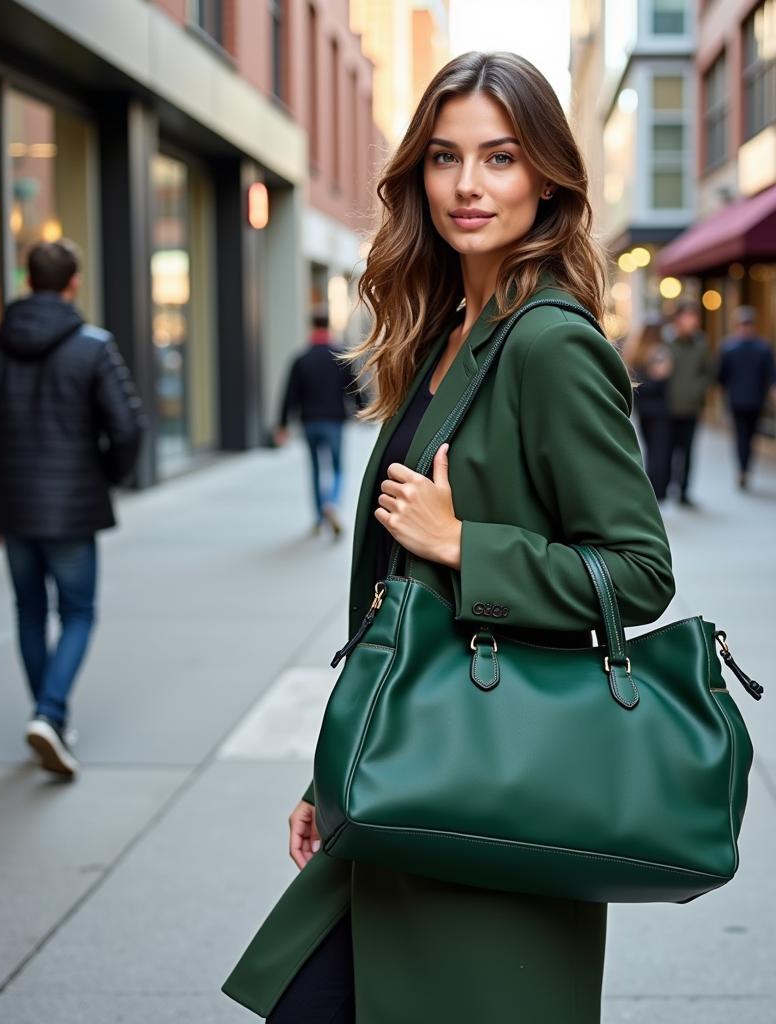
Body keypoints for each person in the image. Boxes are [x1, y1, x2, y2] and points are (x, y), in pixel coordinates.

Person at [226, 51, 675, 1024]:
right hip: (408, 770)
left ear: (546, 176)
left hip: (489, 783)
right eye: (444, 157)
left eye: (500, 157)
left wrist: (467, 544)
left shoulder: (550, 343)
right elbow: (393, 591)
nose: (468, 185)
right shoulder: (447, 337)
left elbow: (639, 573)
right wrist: (331, 766)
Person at [0, 240, 144, 778]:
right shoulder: (93, 346)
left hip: (13, 504)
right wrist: (108, 478)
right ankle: (50, 713)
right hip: (71, 506)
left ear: (28, 279)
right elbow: (128, 426)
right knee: (76, 612)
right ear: (73, 283)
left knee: (29, 610)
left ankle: (47, 714)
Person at [275, 307, 358, 537]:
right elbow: (354, 388)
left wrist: (282, 425)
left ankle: (319, 516)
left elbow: (289, 394)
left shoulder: (301, 359)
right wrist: (363, 409)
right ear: (328, 325)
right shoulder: (340, 356)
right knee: (337, 466)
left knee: (315, 469)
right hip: (334, 421)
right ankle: (332, 502)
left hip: (309, 422)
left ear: (311, 326)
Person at [717, 304, 776, 490]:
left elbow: (773, 370)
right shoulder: (729, 348)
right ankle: (743, 469)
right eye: (743, 324)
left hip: (755, 400)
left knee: (750, 436)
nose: (746, 327)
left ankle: (745, 468)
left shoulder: (762, 348)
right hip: (737, 400)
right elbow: (721, 375)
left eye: (748, 324)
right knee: (741, 436)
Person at [660, 299, 713, 507]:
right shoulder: (666, 342)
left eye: (695, 317)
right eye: (688, 317)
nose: (692, 322)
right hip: (668, 408)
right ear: (678, 319)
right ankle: (664, 489)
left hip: (692, 407)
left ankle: (683, 491)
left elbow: (708, 373)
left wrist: (698, 391)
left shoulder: (701, 344)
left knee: (688, 452)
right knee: (667, 451)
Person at [620, 313, 672, 500]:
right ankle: (658, 491)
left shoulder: (636, 351)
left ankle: (651, 486)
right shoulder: (659, 352)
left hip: (644, 409)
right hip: (660, 409)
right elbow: (662, 378)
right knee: (660, 450)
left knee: (650, 448)